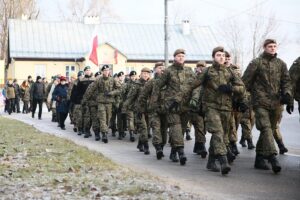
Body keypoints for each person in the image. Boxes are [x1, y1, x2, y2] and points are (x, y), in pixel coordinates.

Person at [192, 46, 246, 175]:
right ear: (213, 57)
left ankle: (211, 161)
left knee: (221, 136)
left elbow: (242, 88)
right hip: (211, 107)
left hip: (226, 109)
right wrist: (183, 100)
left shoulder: (230, 72)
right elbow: (193, 85)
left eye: (222, 55)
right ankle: (223, 161)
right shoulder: (207, 71)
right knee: (217, 133)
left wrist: (231, 88)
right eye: (218, 55)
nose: (221, 57)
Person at [242, 39, 293, 174]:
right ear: (264, 47)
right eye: (270, 46)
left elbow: (287, 81)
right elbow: (245, 82)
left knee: (268, 130)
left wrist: (288, 95)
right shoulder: (256, 63)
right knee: (265, 128)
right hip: (260, 102)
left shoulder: (281, 64)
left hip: (276, 103)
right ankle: (272, 157)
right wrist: (242, 100)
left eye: (274, 46)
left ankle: (259, 158)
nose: (272, 48)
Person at [155, 49, 196, 166]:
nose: (181, 58)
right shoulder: (168, 71)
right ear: (174, 57)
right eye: (178, 56)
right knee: (175, 128)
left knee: (181, 130)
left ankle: (174, 151)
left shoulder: (189, 71)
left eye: (183, 56)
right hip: (171, 106)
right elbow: (158, 86)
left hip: (185, 106)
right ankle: (181, 153)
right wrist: (155, 104)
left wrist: (195, 99)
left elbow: (195, 86)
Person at [82, 65, 121, 143]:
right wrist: (85, 100)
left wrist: (112, 93)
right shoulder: (98, 80)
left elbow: (120, 89)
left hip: (109, 102)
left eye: (108, 70)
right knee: (102, 118)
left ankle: (104, 131)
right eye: (105, 70)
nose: (107, 72)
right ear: (102, 71)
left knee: (107, 119)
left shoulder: (113, 80)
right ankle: (104, 134)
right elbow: (91, 89)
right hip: (101, 102)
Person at [139, 62, 168, 159]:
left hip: (165, 109)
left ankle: (162, 146)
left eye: (163, 68)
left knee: (164, 130)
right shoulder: (151, 82)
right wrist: (142, 109)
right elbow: (142, 96)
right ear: (155, 69)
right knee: (156, 128)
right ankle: (158, 148)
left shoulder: (168, 82)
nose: (162, 70)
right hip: (153, 110)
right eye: (159, 68)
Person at [124, 67, 152, 154]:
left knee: (146, 128)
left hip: (148, 109)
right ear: (141, 74)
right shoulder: (136, 84)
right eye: (144, 73)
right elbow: (130, 97)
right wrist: (125, 107)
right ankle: (146, 146)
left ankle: (140, 144)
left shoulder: (151, 83)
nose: (145, 75)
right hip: (139, 110)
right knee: (143, 128)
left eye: (147, 74)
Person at [189, 61, 207, 158]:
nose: (200, 69)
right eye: (199, 67)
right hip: (195, 109)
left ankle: (197, 146)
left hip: (206, 108)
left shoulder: (208, 79)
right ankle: (202, 147)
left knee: (203, 129)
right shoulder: (192, 79)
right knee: (199, 127)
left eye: (202, 67)